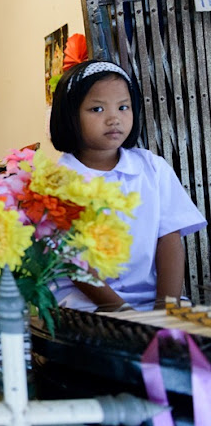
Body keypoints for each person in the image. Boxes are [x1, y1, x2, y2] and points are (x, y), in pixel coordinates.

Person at [49, 60, 206, 311]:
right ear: (69, 116)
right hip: (87, 307)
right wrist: (124, 313)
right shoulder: (56, 181)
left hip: (155, 303)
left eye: (124, 107)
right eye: (97, 109)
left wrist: (166, 309)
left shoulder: (153, 168)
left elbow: (169, 239)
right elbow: (73, 262)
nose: (114, 119)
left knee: (198, 332)